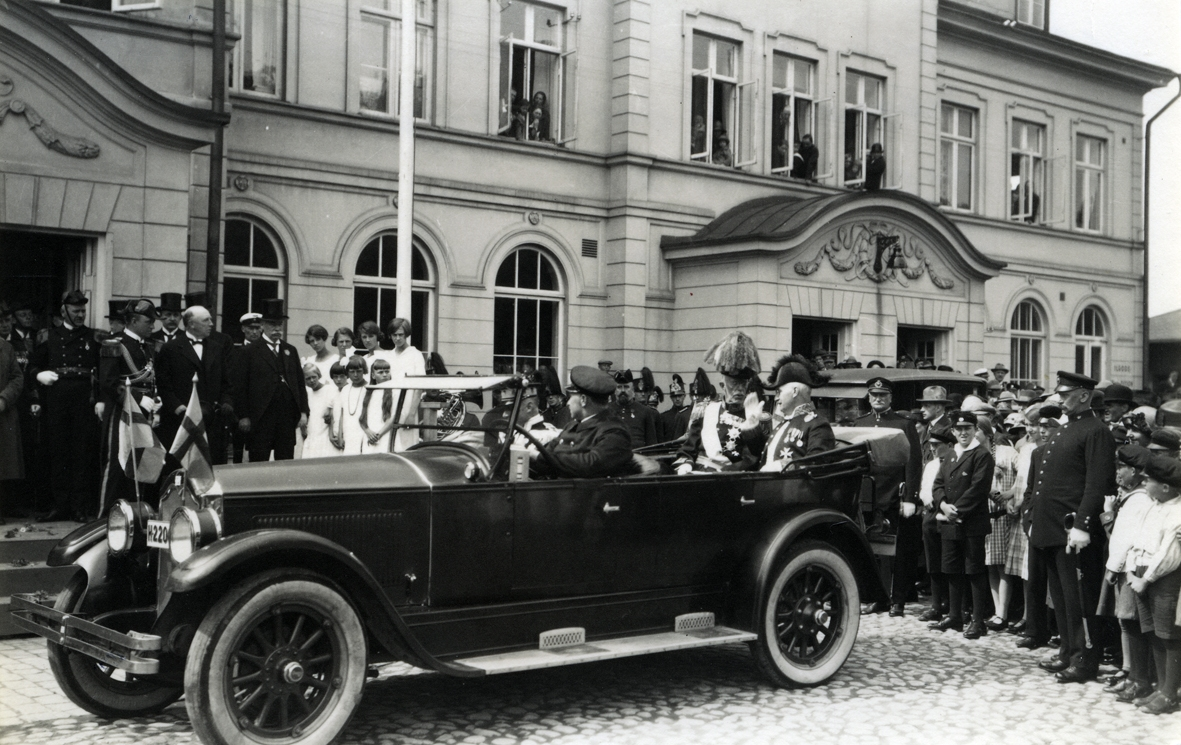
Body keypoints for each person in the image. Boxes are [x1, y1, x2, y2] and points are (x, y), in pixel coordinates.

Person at [1025, 371, 1118, 684]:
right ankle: (1068, 650)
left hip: (1072, 531)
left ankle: (1084, 659)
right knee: (1062, 598)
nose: (1060, 399)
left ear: (1083, 395)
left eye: (1065, 395)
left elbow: (1097, 483)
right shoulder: (1067, 428)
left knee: (1079, 598)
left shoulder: (1096, 431)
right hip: (1052, 529)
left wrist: (1082, 524)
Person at [28, 292, 101, 521]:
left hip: (83, 400)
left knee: (81, 452)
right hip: (57, 398)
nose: (81, 315)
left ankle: (79, 506)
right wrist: (39, 375)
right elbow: (31, 365)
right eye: (76, 311)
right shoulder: (48, 336)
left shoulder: (93, 337)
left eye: (83, 311)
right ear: (64, 311)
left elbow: (102, 370)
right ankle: (60, 505)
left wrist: (99, 398)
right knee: (58, 452)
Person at [856, 377, 923, 616]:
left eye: (882, 395)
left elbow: (913, 463)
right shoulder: (860, 423)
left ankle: (898, 600)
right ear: (868, 397)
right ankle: (878, 597)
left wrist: (911, 497)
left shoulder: (903, 424)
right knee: (872, 552)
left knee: (899, 553)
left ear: (890, 397)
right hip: (868, 496)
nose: (878, 399)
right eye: (874, 395)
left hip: (895, 495)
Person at [1122, 453, 1181, 714]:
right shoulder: (1153, 506)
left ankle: (1170, 693)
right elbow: (1137, 541)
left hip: (1162, 577)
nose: (1144, 484)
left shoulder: (1177, 512)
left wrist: (1146, 579)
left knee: (1168, 635)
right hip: (1140, 574)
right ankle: (1160, 687)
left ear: (1166, 487)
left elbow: (1169, 554)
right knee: (1152, 632)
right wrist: (1131, 570)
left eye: (1149, 480)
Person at [929, 411, 996, 639]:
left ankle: (978, 621)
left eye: (968, 428)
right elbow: (938, 484)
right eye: (959, 429)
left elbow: (979, 488)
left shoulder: (982, 455)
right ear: (953, 432)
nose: (963, 433)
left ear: (975, 429)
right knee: (952, 569)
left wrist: (955, 511)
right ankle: (955, 615)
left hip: (972, 523)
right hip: (950, 522)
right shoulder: (950, 454)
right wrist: (943, 505)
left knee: (974, 570)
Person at [1101, 444, 1154, 702]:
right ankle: (1133, 676)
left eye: (1121, 467)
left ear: (1134, 471)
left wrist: (1112, 568)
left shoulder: (1139, 500)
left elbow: (1124, 539)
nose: (1117, 472)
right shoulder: (1133, 498)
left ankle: (1138, 679)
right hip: (1126, 566)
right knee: (1127, 620)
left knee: (1131, 621)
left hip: (1129, 568)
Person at [674, 331, 768, 473]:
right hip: (697, 473)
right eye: (734, 384)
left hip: (729, 478)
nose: (739, 389)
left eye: (743, 384)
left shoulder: (756, 417)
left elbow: (754, 458)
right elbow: (688, 449)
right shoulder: (705, 410)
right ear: (722, 385)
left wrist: (752, 427)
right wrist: (686, 465)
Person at [155, 305, 235, 464]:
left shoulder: (217, 348)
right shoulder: (170, 348)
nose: (211, 324)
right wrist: (177, 407)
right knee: (181, 465)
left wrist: (227, 401)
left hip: (212, 420)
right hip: (181, 419)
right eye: (206, 320)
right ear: (191, 324)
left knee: (212, 463)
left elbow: (226, 382)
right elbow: (163, 384)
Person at [529, 365, 633, 479]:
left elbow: (589, 464)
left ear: (583, 400)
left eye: (571, 397)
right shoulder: (571, 426)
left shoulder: (614, 432)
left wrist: (538, 456)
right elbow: (547, 454)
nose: (568, 403)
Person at [238, 299, 308, 462]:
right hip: (260, 417)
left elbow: (299, 383)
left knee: (285, 459)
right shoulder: (249, 351)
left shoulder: (290, 350)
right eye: (272, 324)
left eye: (279, 324)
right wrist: (243, 415)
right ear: (262, 325)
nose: (277, 328)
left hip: (286, 417)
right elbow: (241, 386)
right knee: (259, 460)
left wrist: (303, 412)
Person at [917, 385, 954, 623]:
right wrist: (924, 498)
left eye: (927, 405)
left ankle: (950, 605)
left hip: (945, 507)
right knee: (932, 560)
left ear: (940, 406)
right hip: (929, 508)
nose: (922, 409)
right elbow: (925, 472)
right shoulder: (927, 431)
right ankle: (936, 603)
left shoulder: (948, 429)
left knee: (947, 559)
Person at [759, 355, 834, 471]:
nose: (776, 398)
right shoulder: (784, 423)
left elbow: (818, 464)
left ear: (794, 391)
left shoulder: (818, 424)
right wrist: (750, 429)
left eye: (779, 392)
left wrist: (784, 465)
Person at [0, 308, 25, 524]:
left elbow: (17, 377)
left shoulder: (6, 348)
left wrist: (4, 398)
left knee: (4, 465)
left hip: (3, 412)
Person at [610, 369, 658, 448]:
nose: (623, 390)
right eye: (619, 387)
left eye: (626, 387)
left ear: (633, 389)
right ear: (615, 390)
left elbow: (651, 444)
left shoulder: (645, 411)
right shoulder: (607, 411)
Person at [333, 356, 369, 455]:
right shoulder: (345, 389)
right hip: (348, 431)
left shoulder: (369, 388)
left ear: (364, 371)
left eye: (359, 371)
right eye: (352, 372)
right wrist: (340, 434)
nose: (355, 375)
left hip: (363, 431)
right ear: (347, 373)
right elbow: (342, 414)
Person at [661, 374, 689, 441]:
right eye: (674, 396)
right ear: (671, 398)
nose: (677, 399)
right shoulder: (664, 417)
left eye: (680, 396)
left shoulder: (689, 415)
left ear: (684, 396)